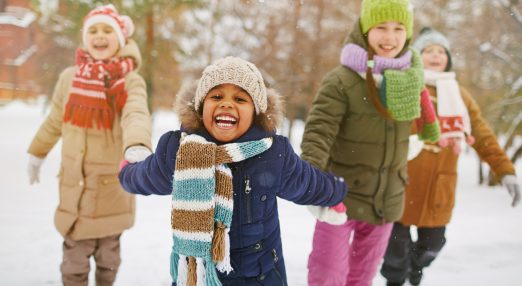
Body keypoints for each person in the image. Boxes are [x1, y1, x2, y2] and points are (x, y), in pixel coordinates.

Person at [118, 56, 348, 286]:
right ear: (200, 107)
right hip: (198, 276)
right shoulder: (179, 150)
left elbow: (308, 183)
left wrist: (336, 192)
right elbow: (148, 176)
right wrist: (127, 172)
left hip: (260, 276)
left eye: (240, 99)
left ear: (256, 112)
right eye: (216, 96)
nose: (227, 104)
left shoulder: (273, 155)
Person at [301, 0, 442, 285]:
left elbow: (415, 126)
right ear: (366, 29)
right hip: (338, 198)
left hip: (385, 201)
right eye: (381, 28)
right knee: (327, 276)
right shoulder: (341, 81)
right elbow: (318, 133)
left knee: (361, 278)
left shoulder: (411, 80)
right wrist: (312, 185)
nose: (390, 37)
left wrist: (412, 143)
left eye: (398, 28)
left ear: (408, 33)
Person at [380, 27, 521, 286]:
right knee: (394, 249)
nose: (436, 55)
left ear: (448, 58)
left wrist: (506, 171)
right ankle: (396, 280)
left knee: (433, 243)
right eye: (428, 50)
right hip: (401, 184)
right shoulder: (404, 85)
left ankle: (416, 266)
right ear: (416, 57)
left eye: (441, 51)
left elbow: (483, 135)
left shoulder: (460, 96)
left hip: (438, 188)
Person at [26, 4, 152, 285]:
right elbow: (55, 120)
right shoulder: (69, 78)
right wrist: (37, 152)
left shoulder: (129, 81)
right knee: (73, 262)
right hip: (75, 189)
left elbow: (136, 114)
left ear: (120, 39)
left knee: (108, 260)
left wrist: (137, 144)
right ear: (85, 38)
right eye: (93, 30)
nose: (99, 35)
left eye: (108, 30)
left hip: (110, 190)